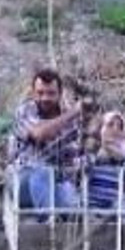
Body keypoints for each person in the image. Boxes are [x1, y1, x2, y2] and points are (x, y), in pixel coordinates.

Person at [8, 68, 92, 218]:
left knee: (69, 196)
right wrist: (74, 112)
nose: (45, 98)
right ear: (33, 93)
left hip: (56, 183)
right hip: (22, 182)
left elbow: (75, 156)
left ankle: (67, 221)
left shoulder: (70, 119)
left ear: (60, 94)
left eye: (51, 93)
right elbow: (40, 134)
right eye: (40, 93)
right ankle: (50, 224)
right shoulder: (25, 110)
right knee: (42, 172)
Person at [86, 110, 125, 213]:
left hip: (118, 211)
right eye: (110, 125)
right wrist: (100, 154)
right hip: (91, 210)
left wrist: (122, 157)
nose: (115, 130)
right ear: (100, 129)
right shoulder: (91, 152)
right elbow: (79, 175)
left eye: (120, 127)